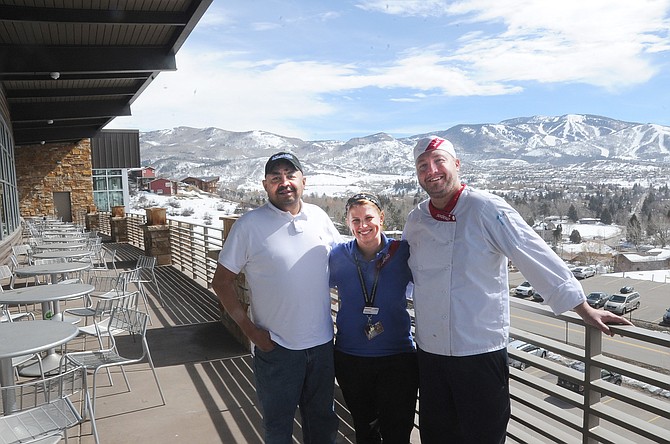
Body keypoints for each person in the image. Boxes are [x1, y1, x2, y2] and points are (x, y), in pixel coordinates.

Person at [402, 136, 633, 444]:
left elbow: (533, 254)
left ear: (457, 165)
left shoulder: (486, 208)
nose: (432, 171)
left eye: (439, 162)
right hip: (430, 353)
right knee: (436, 435)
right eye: (423, 166)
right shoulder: (416, 219)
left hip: (479, 352)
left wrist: (582, 306)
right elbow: (405, 273)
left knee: (483, 436)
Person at [211, 152, 341, 444]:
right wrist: (250, 331)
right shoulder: (249, 225)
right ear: (265, 185)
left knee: (322, 427)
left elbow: (346, 260)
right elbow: (221, 282)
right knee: (279, 430)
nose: (284, 182)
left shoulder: (319, 217)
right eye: (275, 177)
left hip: (321, 347)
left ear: (303, 181)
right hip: (277, 349)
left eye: (290, 175)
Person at [329, 193, 418, 444]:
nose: (363, 225)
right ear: (347, 223)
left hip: (397, 359)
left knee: (398, 433)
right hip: (351, 359)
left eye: (369, 217)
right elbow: (310, 289)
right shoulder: (338, 256)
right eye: (355, 220)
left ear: (381, 217)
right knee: (365, 431)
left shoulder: (402, 253)